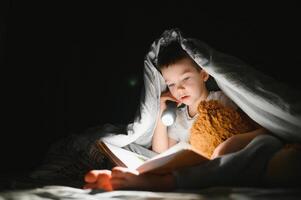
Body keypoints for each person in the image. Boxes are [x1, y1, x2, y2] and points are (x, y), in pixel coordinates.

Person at [83, 41, 270, 191]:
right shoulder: (178, 118)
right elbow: (162, 153)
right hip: (204, 170)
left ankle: (161, 183)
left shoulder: (223, 99)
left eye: (186, 78)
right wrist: (161, 110)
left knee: (260, 146)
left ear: (203, 75)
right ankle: (152, 179)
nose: (178, 89)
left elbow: (261, 129)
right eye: (171, 84)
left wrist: (231, 145)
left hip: (239, 158)